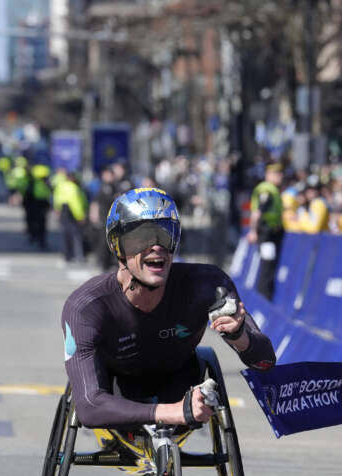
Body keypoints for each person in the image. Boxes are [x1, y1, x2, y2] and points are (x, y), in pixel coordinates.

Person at [61, 187, 276, 438]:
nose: (156, 247)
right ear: (117, 246)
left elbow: (266, 362)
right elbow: (89, 408)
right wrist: (171, 412)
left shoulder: (209, 284)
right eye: (141, 237)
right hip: (117, 393)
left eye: (166, 234)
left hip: (181, 385)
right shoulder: (86, 307)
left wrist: (240, 336)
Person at [245, 163, 285, 299]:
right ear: (268, 175)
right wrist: (253, 231)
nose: (280, 176)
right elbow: (257, 213)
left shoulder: (272, 189)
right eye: (276, 174)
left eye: (280, 173)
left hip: (272, 234)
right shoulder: (267, 191)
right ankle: (264, 297)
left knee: (269, 267)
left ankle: (265, 295)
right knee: (267, 268)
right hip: (267, 235)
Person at [53, 169, 88, 264]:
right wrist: (80, 216)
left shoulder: (60, 186)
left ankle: (67, 255)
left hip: (63, 211)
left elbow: (56, 198)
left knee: (66, 234)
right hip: (72, 212)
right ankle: (78, 255)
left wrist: (56, 208)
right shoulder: (74, 188)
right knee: (76, 235)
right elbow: (75, 203)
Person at [24, 164, 51, 250]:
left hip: (38, 205)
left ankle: (37, 238)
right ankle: (38, 239)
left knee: (37, 222)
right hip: (38, 205)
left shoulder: (33, 182)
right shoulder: (41, 182)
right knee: (39, 223)